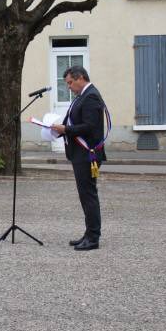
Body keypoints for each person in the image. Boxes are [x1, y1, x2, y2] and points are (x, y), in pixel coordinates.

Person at [51, 66, 107, 251]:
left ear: (80, 77)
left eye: (70, 82)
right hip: (80, 154)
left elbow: (90, 126)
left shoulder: (90, 96)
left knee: (88, 195)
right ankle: (88, 233)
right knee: (85, 195)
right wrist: (58, 129)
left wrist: (66, 130)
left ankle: (93, 238)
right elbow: (73, 121)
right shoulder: (82, 96)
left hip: (87, 154)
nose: (68, 86)